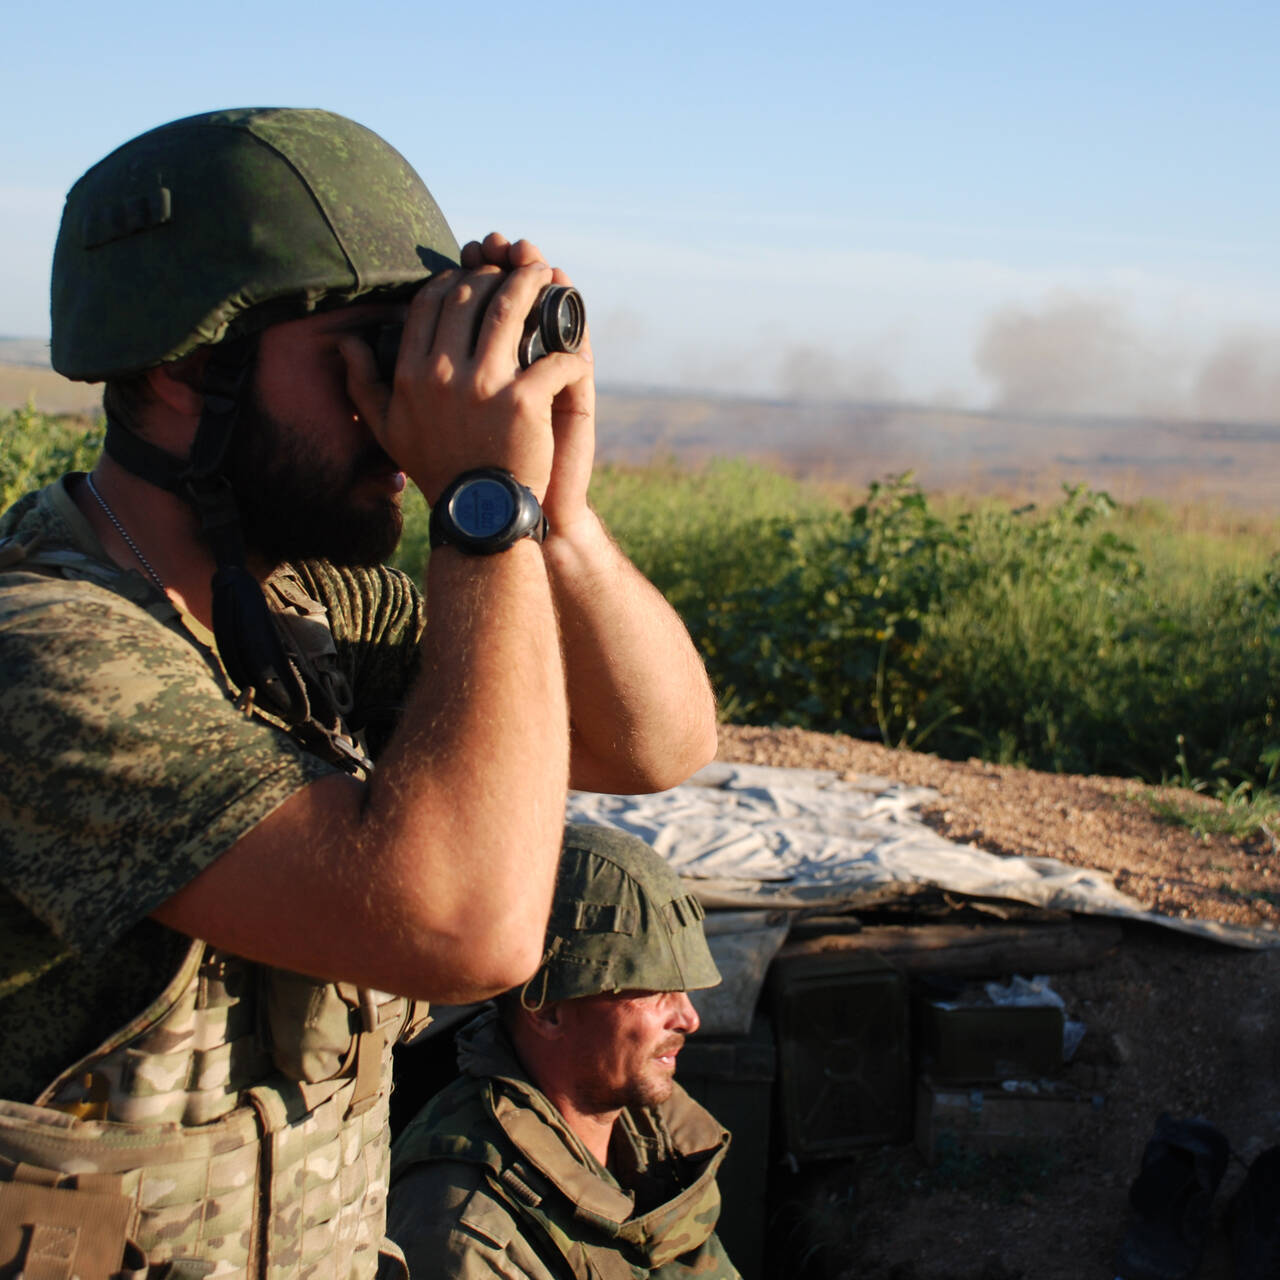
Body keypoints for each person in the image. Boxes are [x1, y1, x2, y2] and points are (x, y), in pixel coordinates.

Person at [0, 108, 717, 1278]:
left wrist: (554, 514)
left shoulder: (304, 605)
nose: (412, 398)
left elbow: (653, 740)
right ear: (187, 364)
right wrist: (477, 499)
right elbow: (464, 927)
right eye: (376, 347)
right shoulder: (46, 655)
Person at [386, 824, 741, 1279]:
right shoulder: (468, 1227)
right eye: (655, 991)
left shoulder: (656, 1142)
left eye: (684, 989)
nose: (689, 1019)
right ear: (549, 1011)